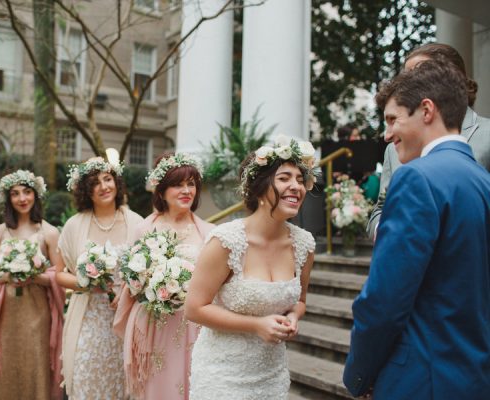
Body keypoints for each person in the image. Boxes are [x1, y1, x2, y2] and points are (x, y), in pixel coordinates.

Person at [343, 61, 490, 399]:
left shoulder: (417, 179)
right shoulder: (484, 182)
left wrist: (360, 374)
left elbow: (384, 300)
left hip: (422, 379)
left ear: (427, 110)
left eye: (393, 119)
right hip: (473, 378)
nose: (386, 134)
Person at [185, 136, 317, 399]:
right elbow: (194, 308)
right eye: (284, 178)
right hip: (222, 376)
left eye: (300, 180)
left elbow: (300, 301)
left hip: (271, 376)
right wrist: (256, 325)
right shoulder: (226, 242)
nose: (296, 187)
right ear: (259, 187)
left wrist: (293, 318)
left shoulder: (304, 245)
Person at [113, 152, 214, 400]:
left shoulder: (209, 232)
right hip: (155, 325)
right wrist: (149, 286)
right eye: (178, 184)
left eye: (191, 184)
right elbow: (130, 279)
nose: (186, 190)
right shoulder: (145, 228)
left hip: (194, 326)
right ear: (162, 190)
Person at [367, 42, 490, 239]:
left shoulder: (487, 134)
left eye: (419, 75)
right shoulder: (393, 148)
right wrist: (391, 234)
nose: (409, 85)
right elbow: (381, 209)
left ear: (450, 78)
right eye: (406, 77)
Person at [55, 157, 143, 399]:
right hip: (88, 321)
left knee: (121, 386)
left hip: (124, 321)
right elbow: (59, 274)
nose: (104, 186)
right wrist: (85, 283)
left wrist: (128, 291)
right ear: (86, 190)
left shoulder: (136, 223)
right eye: (95, 182)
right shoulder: (74, 225)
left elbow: (146, 270)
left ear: (116, 182)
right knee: (84, 379)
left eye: (108, 179)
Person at [0, 170, 64, 400]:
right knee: (4, 364)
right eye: (15, 194)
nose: (22, 198)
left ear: (35, 195)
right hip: (3, 312)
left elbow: (59, 275)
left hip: (37, 312)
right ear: (8, 199)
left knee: (34, 361)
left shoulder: (49, 232)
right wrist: (8, 275)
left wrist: (34, 276)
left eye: (26, 192)